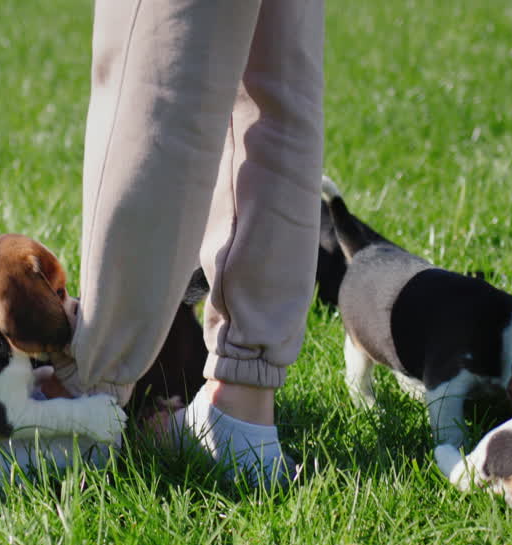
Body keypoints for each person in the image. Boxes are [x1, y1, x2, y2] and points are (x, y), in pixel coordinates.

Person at [47, 0, 325, 486]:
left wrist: (93, 378)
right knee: (272, 68)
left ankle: (84, 408)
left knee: (156, 61)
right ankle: (240, 413)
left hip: (85, 404)